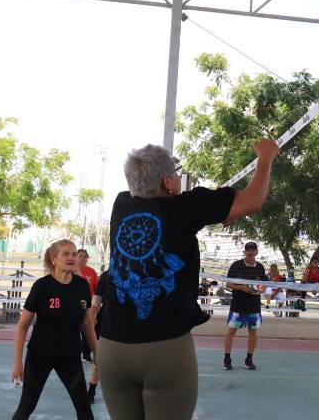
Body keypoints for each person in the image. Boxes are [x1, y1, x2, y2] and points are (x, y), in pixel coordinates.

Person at [97, 139, 279, 420]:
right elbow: (253, 200)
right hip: (164, 348)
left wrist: (214, 212)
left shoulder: (121, 204)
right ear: (168, 182)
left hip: (112, 348)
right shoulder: (188, 207)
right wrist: (266, 157)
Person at [11, 239, 97, 420]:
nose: (72, 258)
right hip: (40, 355)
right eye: (66, 254)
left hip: (70, 356)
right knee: (26, 407)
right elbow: (23, 325)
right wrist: (17, 362)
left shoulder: (82, 286)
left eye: (74, 254)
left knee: (84, 410)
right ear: (53, 258)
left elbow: (87, 324)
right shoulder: (42, 286)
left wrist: (98, 352)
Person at [223, 241, 269, 370]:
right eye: (248, 250)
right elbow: (228, 284)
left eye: (253, 250)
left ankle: (249, 360)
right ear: (245, 252)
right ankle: (227, 359)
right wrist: (241, 287)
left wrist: (260, 290)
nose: (250, 252)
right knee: (231, 332)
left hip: (254, 307)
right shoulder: (236, 266)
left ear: (256, 252)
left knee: (253, 332)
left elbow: (262, 286)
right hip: (238, 306)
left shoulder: (260, 267)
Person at [87, 271, 108, 404]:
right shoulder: (107, 276)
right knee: (100, 360)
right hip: (107, 321)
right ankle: (92, 390)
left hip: (135, 323)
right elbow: (96, 301)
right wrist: (92, 316)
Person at [76, 249, 100, 362]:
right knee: (73, 330)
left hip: (87, 307)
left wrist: (95, 309)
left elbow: (97, 292)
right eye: (80, 256)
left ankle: (86, 355)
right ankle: (74, 352)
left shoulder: (92, 272)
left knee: (88, 330)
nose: (82, 258)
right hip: (73, 305)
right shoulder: (71, 270)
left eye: (84, 256)